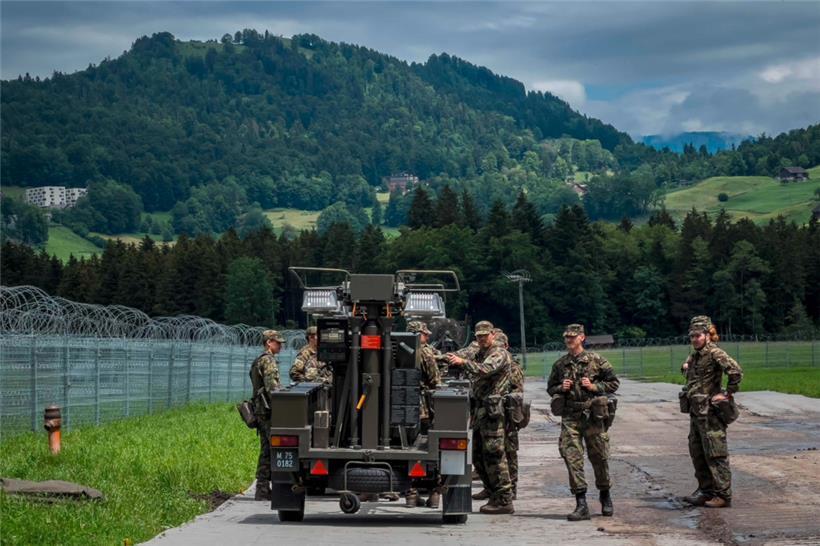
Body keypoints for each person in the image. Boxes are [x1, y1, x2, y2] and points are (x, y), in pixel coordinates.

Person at [547, 323, 620, 521]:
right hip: (571, 416)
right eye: (567, 337)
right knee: (572, 457)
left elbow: (614, 382)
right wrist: (560, 388)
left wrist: (595, 386)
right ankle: (581, 503)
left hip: (593, 415)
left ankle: (605, 494)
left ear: (582, 338)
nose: (569, 340)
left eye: (573, 337)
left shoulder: (597, 360)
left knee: (599, 456)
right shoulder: (560, 364)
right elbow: (550, 388)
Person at [447, 320, 515, 515]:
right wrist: (441, 356)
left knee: (494, 455)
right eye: (479, 336)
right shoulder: (479, 353)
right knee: (478, 455)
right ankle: (493, 495)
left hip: (493, 414)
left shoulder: (498, 353)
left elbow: (485, 369)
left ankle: (504, 499)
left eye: (485, 335)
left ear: (492, 335)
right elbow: (460, 356)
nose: (482, 339)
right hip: (480, 411)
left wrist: (463, 363)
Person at [680, 315, 743, 509]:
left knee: (716, 453)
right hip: (697, 413)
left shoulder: (715, 353)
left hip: (711, 415)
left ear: (708, 335)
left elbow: (735, 371)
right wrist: (685, 366)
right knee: (697, 452)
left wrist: (727, 394)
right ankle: (705, 491)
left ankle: (723, 495)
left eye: (698, 335)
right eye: (692, 336)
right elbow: (692, 377)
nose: (694, 339)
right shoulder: (695, 356)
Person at [405, 320, 444, 507]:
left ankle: (411, 494)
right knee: (430, 449)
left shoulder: (396, 349)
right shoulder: (425, 352)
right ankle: (434, 492)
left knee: (407, 450)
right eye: (424, 333)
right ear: (417, 334)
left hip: (402, 408)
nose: (427, 336)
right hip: (424, 409)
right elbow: (435, 380)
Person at [249, 329, 284, 501]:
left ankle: (262, 488)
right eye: (277, 342)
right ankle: (267, 487)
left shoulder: (258, 360)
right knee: (273, 449)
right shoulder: (268, 361)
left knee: (266, 449)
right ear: (269, 342)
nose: (280, 346)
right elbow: (272, 389)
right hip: (268, 411)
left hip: (261, 410)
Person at [494, 330, 524, 500]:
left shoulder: (513, 367)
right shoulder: (493, 362)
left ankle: (512, 487)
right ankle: (494, 487)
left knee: (510, 452)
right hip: (494, 414)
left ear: (506, 346)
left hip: (508, 415)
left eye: (500, 346)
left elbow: (517, 394)